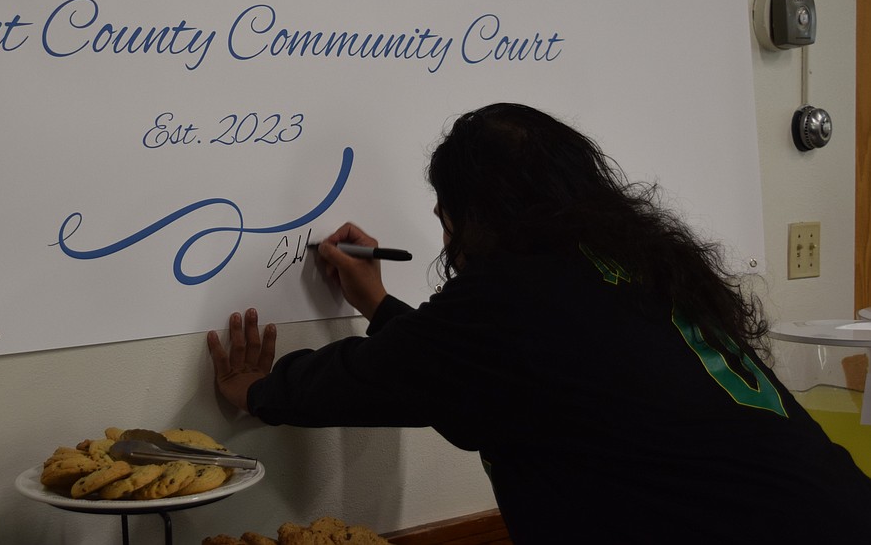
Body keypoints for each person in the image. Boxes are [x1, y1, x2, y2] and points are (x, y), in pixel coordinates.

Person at [206, 102, 871, 544]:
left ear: (475, 215)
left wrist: (258, 392)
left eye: (446, 219)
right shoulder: (634, 266)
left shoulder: (518, 294)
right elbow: (474, 377)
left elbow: (395, 375)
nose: (446, 243)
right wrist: (379, 305)